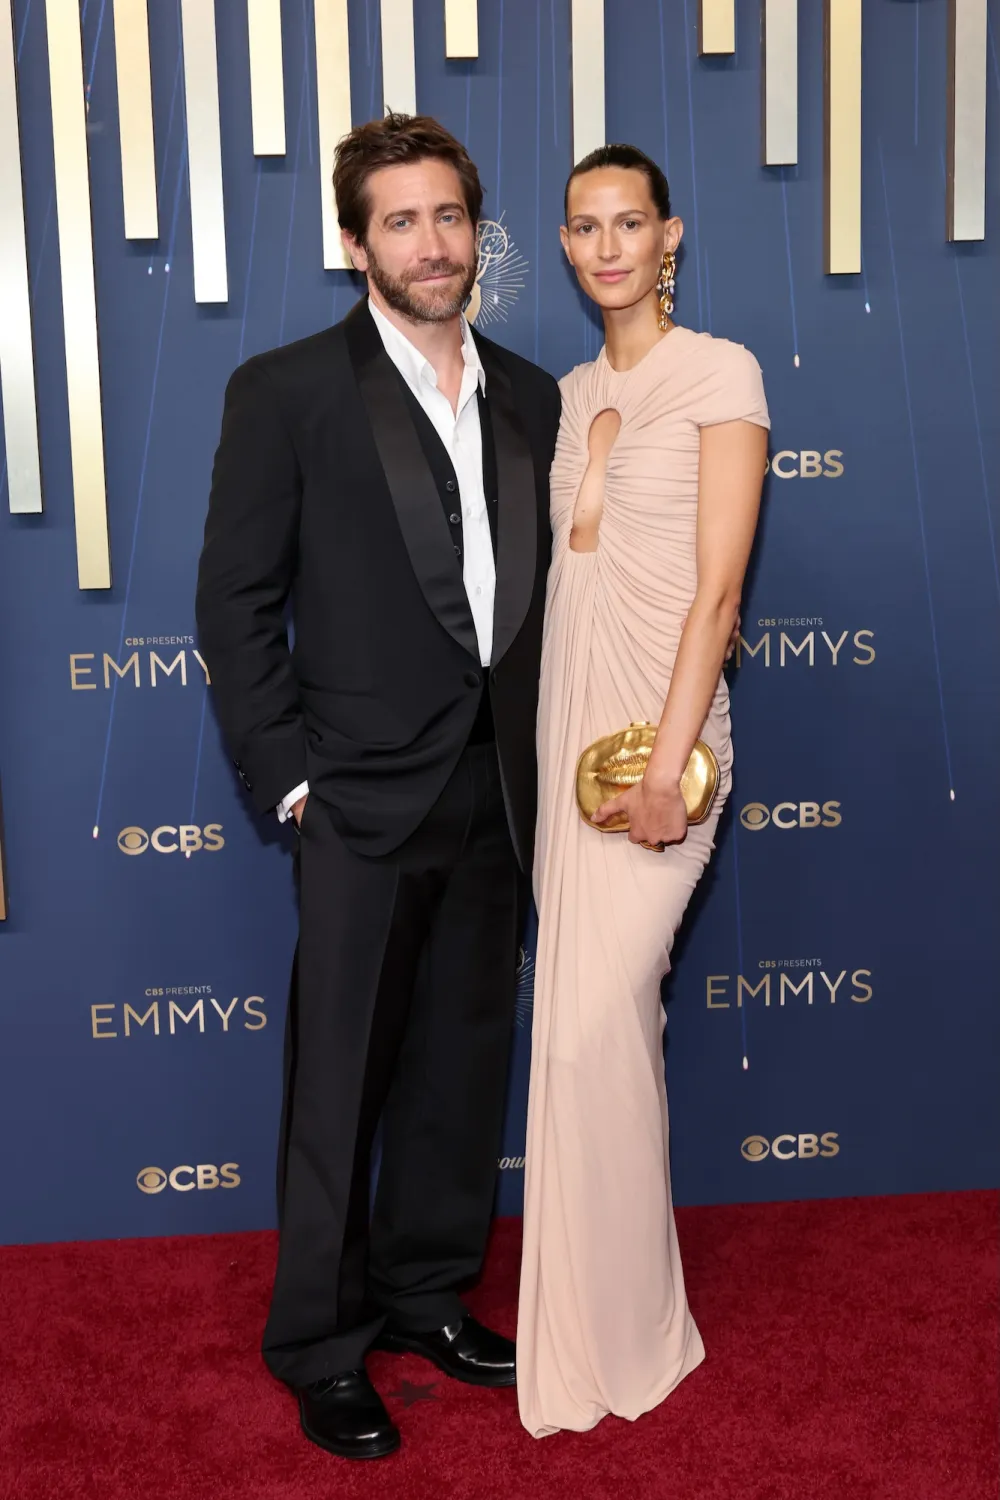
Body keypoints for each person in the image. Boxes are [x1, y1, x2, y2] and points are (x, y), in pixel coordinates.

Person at [195, 113, 560, 1462]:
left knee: (462, 1067)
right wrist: (291, 778)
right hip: (354, 797)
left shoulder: (533, 395)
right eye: (400, 221)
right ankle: (320, 1343)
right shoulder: (285, 391)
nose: (431, 242)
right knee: (340, 1080)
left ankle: (426, 1295)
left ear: (477, 230)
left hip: (498, 791)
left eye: (449, 215)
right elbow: (236, 602)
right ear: (356, 245)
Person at [517, 144, 769, 1437]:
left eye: (630, 223)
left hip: (663, 746)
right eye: (584, 226)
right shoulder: (568, 396)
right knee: (589, 1033)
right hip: (569, 734)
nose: (607, 246)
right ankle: (598, 1312)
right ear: (565, 246)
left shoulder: (722, 373)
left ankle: (631, 1328)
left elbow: (718, 594)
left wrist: (668, 772)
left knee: (593, 1023)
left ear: (670, 237)